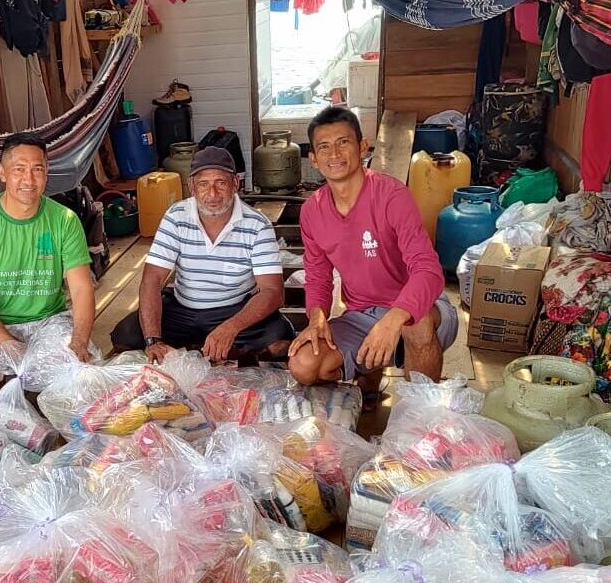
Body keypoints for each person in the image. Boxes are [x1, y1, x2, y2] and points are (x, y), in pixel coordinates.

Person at [288, 106, 458, 400]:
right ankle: (367, 377)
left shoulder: (392, 196)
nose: (334, 154)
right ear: (313, 159)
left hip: (421, 309)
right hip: (361, 314)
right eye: (324, 147)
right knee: (304, 365)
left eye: (343, 142)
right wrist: (317, 318)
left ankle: (421, 412)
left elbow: (428, 269)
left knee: (415, 325)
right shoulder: (312, 211)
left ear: (362, 146)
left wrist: (394, 318)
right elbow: (317, 277)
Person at [111, 147, 295, 363]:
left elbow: (273, 291)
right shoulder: (176, 216)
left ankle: (209, 347)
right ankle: (207, 348)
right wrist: (153, 340)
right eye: (203, 184)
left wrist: (230, 328)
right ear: (192, 187)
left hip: (233, 310)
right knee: (125, 336)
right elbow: (152, 279)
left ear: (235, 184)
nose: (212, 194)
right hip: (182, 309)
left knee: (279, 341)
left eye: (221, 183)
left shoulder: (257, 224)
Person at [0, 133, 98, 395]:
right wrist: (8, 344)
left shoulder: (64, 220)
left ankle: (21, 384)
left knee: (76, 369)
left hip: (49, 320)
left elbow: (81, 288)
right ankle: (8, 387)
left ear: (46, 173)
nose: (29, 180)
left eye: (37, 170)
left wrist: (79, 341)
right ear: (3, 173)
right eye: (19, 169)